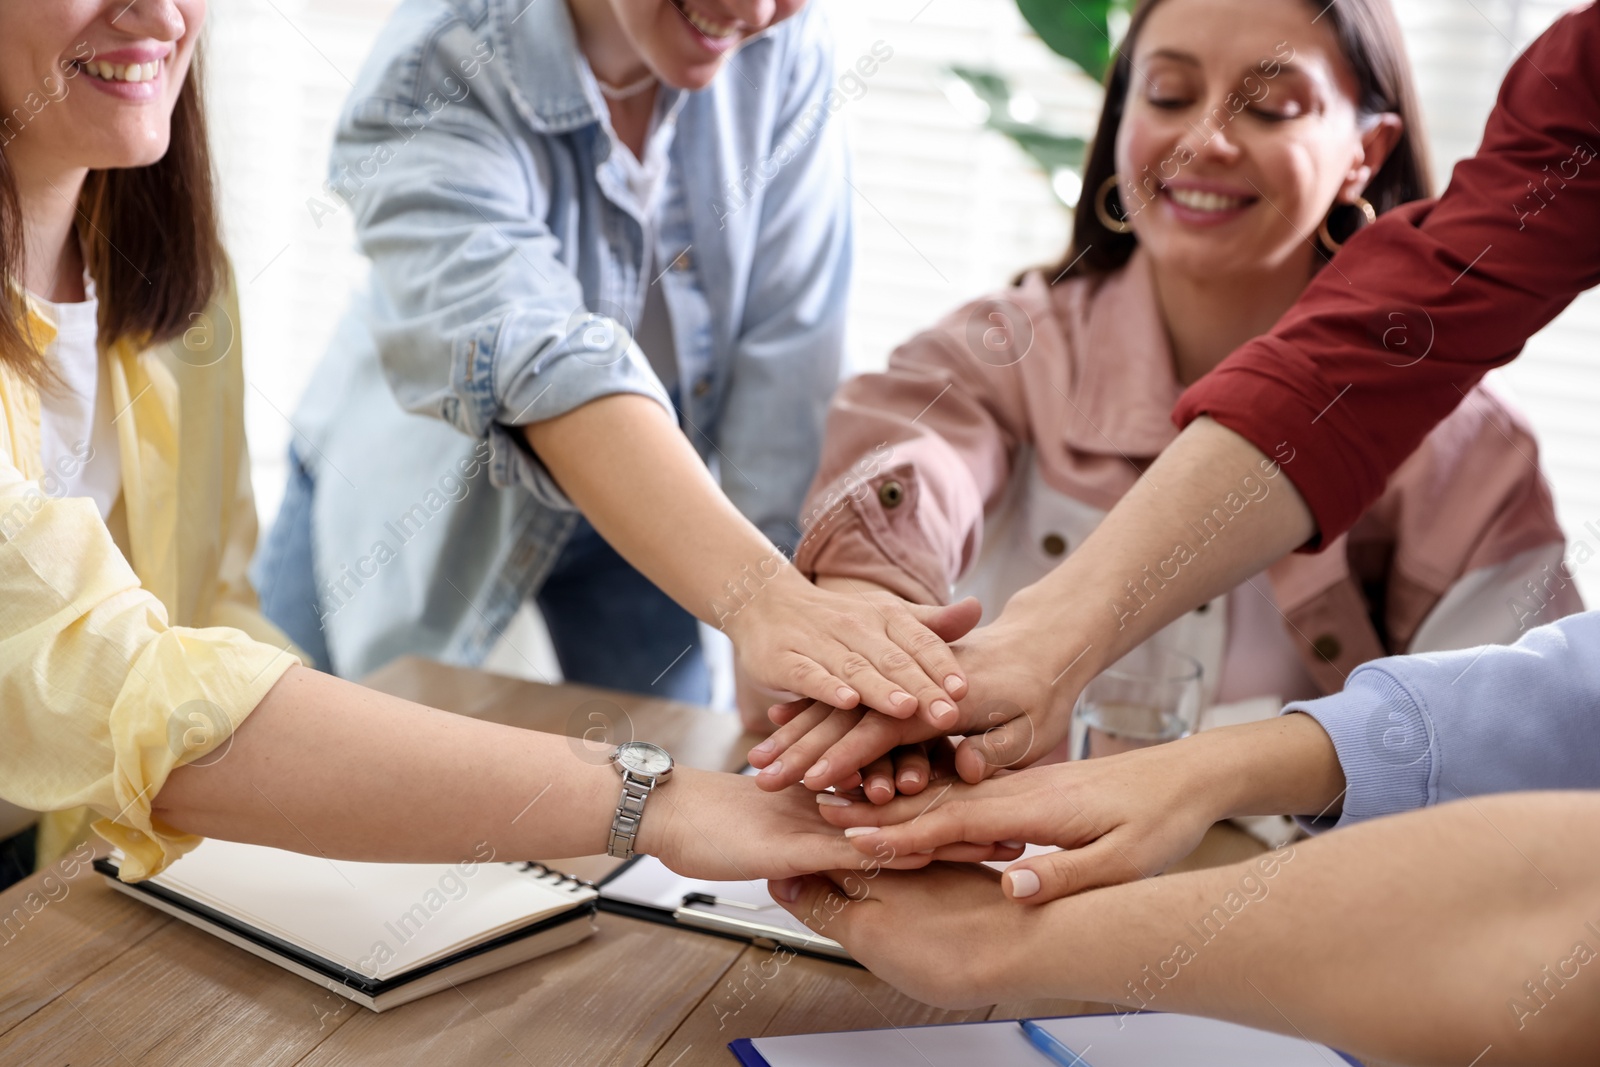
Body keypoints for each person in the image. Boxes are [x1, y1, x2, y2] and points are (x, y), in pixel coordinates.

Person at [0, 0, 1007, 892]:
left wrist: (797, 650)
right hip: (414, 511)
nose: (160, 12)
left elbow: (205, 611)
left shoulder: (179, 279)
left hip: (69, 826)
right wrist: (656, 795)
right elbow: (121, 682)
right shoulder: (440, 64)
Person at [750, 0, 1580, 799]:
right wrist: (869, 629)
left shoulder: (1469, 455)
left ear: (1366, 149)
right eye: (1169, 96)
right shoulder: (1003, 350)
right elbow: (906, 476)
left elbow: (1513, 752)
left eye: (1271, 108)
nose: (1205, 140)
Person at [250, 0, 970, 725]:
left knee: (676, 777)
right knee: (312, 753)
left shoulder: (787, 47)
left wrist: (795, 618)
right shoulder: (435, 66)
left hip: (666, 492)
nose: (754, 10)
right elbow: (539, 356)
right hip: (419, 479)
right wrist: (764, 600)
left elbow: (789, 351)